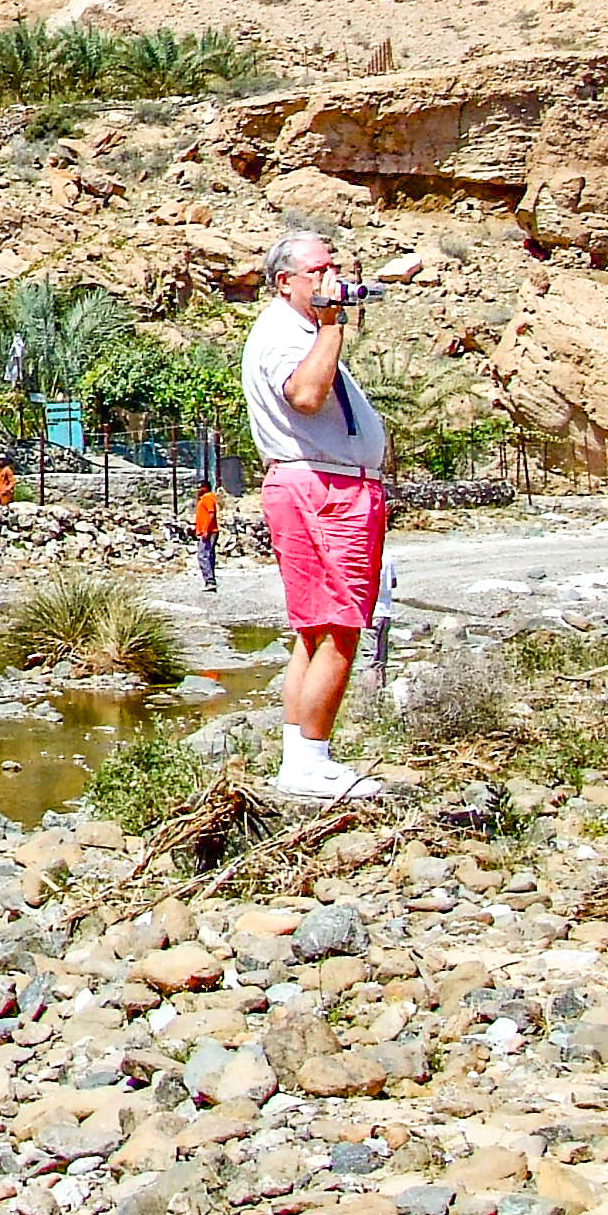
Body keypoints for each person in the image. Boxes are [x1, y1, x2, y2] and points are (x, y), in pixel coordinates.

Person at [242, 231, 389, 799]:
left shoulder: (303, 329)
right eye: (319, 271)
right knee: (342, 626)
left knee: (316, 630)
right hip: (323, 490)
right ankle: (310, 763)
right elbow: (305, 395)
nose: (331, 279)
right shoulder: (288, 334)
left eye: (335, 268)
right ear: (285, 282)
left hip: (327, 486)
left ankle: (302, 757)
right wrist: (332, 325)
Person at [192, 482, 222, 593]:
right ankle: (210, 581)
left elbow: (211, 513)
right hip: (207, 531)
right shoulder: (205, 498)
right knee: (208, 556)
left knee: (203, 555)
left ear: (205, 488)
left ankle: (210, 581)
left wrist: (205, 529)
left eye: (199, 487)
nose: (198, 490)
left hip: (209, 532)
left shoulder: (207, 498)